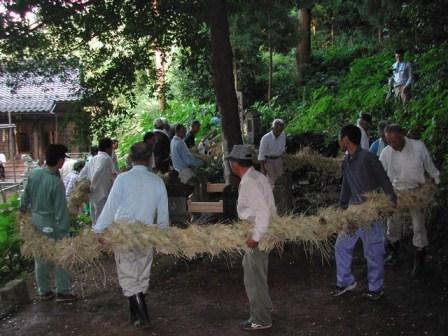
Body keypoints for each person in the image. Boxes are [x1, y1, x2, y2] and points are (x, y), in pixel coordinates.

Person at [94, 142, 169, 329]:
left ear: (130, 158)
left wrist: (99, 230)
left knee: (128, 276)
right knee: (142, 275)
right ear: (150, 158)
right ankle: (135, 315)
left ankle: (143, 317)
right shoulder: (158, 181)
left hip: (124, 233)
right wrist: (163, 235)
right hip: (147, 233)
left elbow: (110, 207)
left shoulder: (123, 179)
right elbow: (163, 216)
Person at [330, 125, 396, 301]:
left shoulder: (369, 158)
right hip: (353, 213)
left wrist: (390, 204)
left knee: (373, 251)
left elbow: (385, 181)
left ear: (346, 140)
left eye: (339, 137)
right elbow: (346, 185)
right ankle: (345, 282)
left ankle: (376, 287)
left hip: (371, 212)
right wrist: (342, 206)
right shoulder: (346, 161)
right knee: (341, 246)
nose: (338, 140)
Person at [379, 124, 440, 276]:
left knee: (418, 226)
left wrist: (436, 182)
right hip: (396, 192)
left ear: (402, 136)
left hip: (416, 192)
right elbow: (380, 173)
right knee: (393, 224)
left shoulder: (418, 147)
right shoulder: (386, 153)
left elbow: (430, 167)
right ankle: (394, 252)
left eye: (394, 141)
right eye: (389, 141)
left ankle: (419, 260)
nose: (392, 145)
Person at [20, 144, 77, 302]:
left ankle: (44, 290)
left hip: (36, 221)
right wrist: (65, 232)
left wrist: (22, 212)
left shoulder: (34, 174)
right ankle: (63, 291)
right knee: (61, 256)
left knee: (40, 256)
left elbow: (25, 198)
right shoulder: (56, 183)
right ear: (59, 161)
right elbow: (60, 212)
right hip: (52, 224)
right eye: (63, 159)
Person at [228, 145, 275, 331]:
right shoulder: (258, 176)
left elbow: (263, 212)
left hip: (259, 235)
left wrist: (255, 238)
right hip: (266, 233)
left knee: (253, 278)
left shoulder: (249, 182)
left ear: (234, 164)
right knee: (259, 275)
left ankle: (261, 319)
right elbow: (269, 208)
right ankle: (265, 309)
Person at [85, 138, 114, 225]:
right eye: (112, 148)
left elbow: (83, 174)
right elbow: (98, 173)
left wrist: (87, 188)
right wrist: (92, 186)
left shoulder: (93, 159)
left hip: (92, 195)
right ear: (108, 148)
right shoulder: (107, 159)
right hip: (102, 194)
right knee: (102, 223)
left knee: (95, 222)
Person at [258, 119, 286, 186]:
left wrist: (283, 160)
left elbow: (282, 148)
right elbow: (261, 154)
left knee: (281, 179)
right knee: (272, 181)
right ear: (272, 128)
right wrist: (262, 168)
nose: (279, 133)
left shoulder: (283, 135)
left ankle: (280, 195)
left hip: (278, 159)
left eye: (281, 131)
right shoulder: (265, 138)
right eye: (277, 131)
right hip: (268, 161)